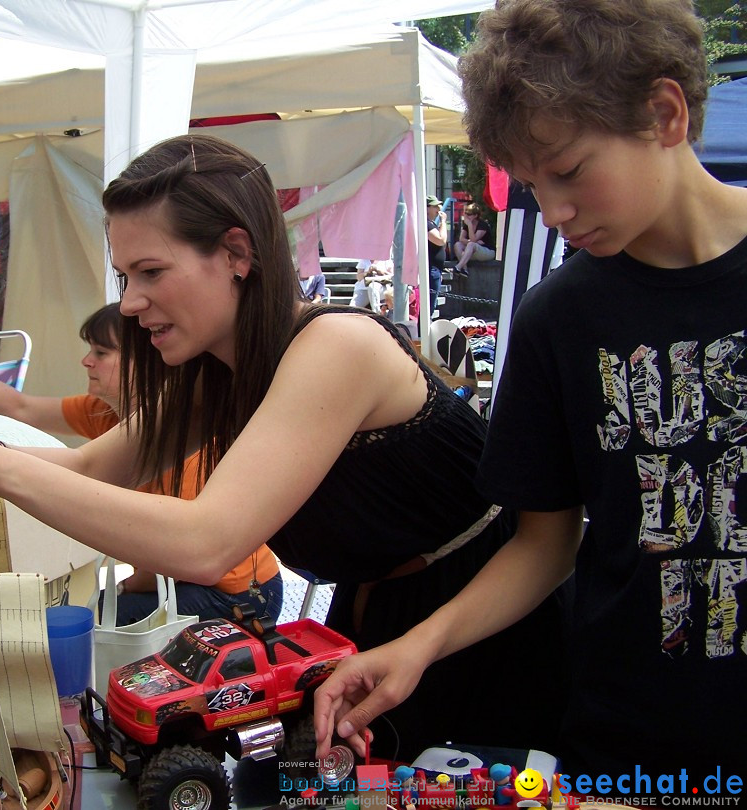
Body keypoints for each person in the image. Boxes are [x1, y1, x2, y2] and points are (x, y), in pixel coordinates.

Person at [0, 133, 563, 760]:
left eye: (150, 271)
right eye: (126, 277)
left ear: (238, 254)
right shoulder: (218, 372)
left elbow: (206, 543)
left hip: (487, 626)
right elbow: (87, 468)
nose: (129, 302)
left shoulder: (338, 346)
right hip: (381, 621)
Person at [313, 0, 747, 777]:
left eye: (570, 171)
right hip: (631, 744)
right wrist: (419, 646)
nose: (554, 211)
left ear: (665, 113)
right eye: (533, 184)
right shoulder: (562, 315)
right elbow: (546, 542)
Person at [0, 302, 284, 624]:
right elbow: (20, 409)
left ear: (147, 360)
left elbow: (173, 553)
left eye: (101, 353)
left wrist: (123, 587)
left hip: (236, 595)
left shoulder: (187, 433)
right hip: (184, 579)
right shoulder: (105, 412)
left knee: (83, 620)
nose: (86, 362)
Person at [452, 203, 495, 276]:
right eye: (466, 213)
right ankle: (464, 269)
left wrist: (470, 225)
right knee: (458, 245)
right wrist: (471, 242)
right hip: (472, 251)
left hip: (487, 252)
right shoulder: (467, 224)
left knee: (471, 244)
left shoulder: (482, 225)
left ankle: (458, 266)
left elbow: (473, 240)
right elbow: (461, 239)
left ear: (475, 215)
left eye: (469, 214)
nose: (466, 216)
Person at [425, 195, 447, 316]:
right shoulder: (427, 224)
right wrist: (443, 222)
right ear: (427, 208)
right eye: (435, 206)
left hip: (436, 269)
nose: (438, 209)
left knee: (431, 305)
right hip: (431, 269)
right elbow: (440, 240)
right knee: (429, 306)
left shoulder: (431, 223)